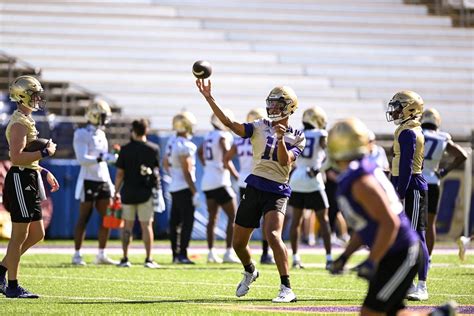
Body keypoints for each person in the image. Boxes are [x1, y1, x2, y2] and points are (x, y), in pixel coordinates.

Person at [327, 118, 456, 316]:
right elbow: (366, 226)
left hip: (402, 253)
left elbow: (389, 222)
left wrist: (372, 260)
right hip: (392, 252)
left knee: (370, 312)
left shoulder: (361, 181)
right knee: (390, 312)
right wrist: (345, 256)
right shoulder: (358, 174)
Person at [196, 79, 305, 303]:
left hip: (277, 189)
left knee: (273, 235)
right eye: (271, 104)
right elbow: (229, 123)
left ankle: (286, 287)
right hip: (254, 186)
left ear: (289, 107)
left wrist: (281, 138)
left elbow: (285, 163)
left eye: (278, 104)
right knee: (238, 243)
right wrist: (209, 98)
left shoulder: (297, 136)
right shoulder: (258, 125)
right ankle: (250, 270)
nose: (273, 108)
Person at [0, 76, 59, 298]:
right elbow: (16, 157)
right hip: (21, 178)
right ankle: (13, 286)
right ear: (23, 96)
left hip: (29, 176)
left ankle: (2, 269)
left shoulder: (26, 119)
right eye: (34, 95)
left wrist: (44, 170)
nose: (37, 99)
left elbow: (26, 159)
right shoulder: (19, 123)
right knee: (19, 236)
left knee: (37, 233)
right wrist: (44, 153)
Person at [386, 91, 429, 301]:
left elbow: (406, 167)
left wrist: (399, 193)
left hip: (411, 186)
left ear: (410, 109)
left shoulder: (408, 132)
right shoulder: (406, 129)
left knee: (417, 237)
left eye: (398, 106)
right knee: (403, 237)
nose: (394, 110)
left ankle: (422, 285)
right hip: (406, 184)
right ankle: (409, 282)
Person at [224, 108, 275, 265]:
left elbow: (226, 160)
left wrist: (237, 175)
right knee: (266, 220)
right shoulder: (263, 136)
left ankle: (245, 251)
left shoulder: (239, 139)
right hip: (260, 179)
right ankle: (266, 253)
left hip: (244, 182)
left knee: (245, 222)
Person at [72, 99, 117, 266]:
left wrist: (110, 183)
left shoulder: (101, 134)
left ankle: (102, 254)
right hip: (88, 179)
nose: (105, 120)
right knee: (84, 217)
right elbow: (82, 159)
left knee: (107, 218)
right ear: (94, 115)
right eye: (103, 116)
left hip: (102, 179)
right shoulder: (81, 133)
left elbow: (102, 161)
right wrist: (101, 158)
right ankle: (77, 254)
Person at [114, 119, 164, 269]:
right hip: (145, 192)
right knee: (146, 226)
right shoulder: (153, 148)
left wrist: (115, 191)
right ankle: (148, 259)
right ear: (146, 131)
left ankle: (125, 258)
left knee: (127, 227)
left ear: (133, 131)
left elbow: (120, 174)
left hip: (128, 192)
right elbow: (156, 172)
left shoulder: (125, 149)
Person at [420, 108, 468, 262]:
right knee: (430, 223)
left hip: (416, 180)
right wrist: (444, 171)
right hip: (433, 181)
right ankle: (428, 258)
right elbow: (461, 155)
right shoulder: (442, 137)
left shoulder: (416, 134)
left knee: (413, 222)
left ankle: (412, 256)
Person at [288, 106, 332, 269]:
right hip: (314, 179)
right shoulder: (321, 134)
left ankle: (295, 257)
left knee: (296, 221)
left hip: (297, 178)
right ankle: (329, 258)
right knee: (324, 220)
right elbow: (331, 157)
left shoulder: (297, 133)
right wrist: (319, 169)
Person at [198, 112, 240, 264]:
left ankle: (211, 252)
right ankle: (228, 252)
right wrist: (236, 175)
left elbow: (200, 152)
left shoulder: (208, 136)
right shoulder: (223, 136)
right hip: (220, 181)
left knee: (212, 218)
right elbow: (226, 158)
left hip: (208, 181)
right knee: (233, 217)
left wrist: (208, 166)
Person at [163, 111, 198, 264]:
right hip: (184, 187)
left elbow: (165, 163)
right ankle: (182, 254)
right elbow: (187, 169)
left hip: (174, 185)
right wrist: (194, 190)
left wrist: (173, 174)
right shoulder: (186, 145)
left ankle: (175, 255)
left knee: (175, 222)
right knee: (187, 222)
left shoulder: (171, 141)